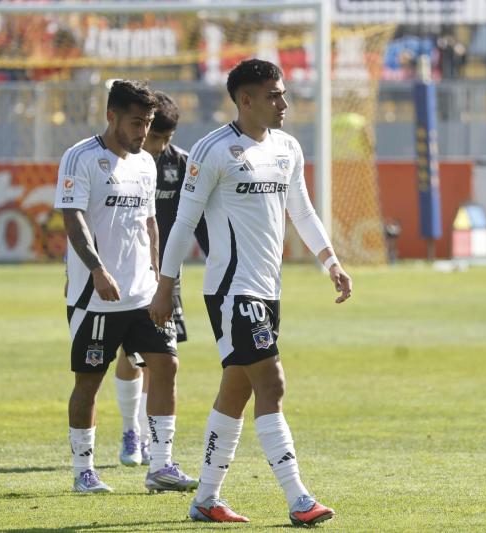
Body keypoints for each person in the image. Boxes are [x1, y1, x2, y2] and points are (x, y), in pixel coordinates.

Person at [149, 59, 352, 527]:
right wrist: (165, 285)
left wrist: (331, 262)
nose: (284, 104)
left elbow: (302, 210)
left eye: (283, 94)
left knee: (237, 389)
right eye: (274, 95)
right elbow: (183, 222)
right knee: (272, 383)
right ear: (245, 99)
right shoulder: (213, 150)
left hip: (268, 290)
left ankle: (206, 498)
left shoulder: (287, 147)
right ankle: (299, 498)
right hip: (231, 290)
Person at [55, 80, 197, 494]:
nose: (143, 131)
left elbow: (149, 223)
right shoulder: (80, 157)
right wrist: (97, 270)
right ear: (111, 116)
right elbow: (73, 218)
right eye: (136, 122)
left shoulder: (145, 164)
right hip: (95, 297)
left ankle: (161, 465)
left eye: (148, 122)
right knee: (89, 381)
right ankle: (83, 470)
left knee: (166, 365)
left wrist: (159, 279)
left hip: (141, 293)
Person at [112, 91, 209, 468]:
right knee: (131, 356)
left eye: (167, 139)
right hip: (127, 273)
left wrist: (215, 258)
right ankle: (130, 430)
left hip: (166, 278)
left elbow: (197, 220)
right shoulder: (122, 161)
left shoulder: (181, 165)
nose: (160, 146)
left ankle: (150, 439)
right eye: (156, 137)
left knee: (160, 359)